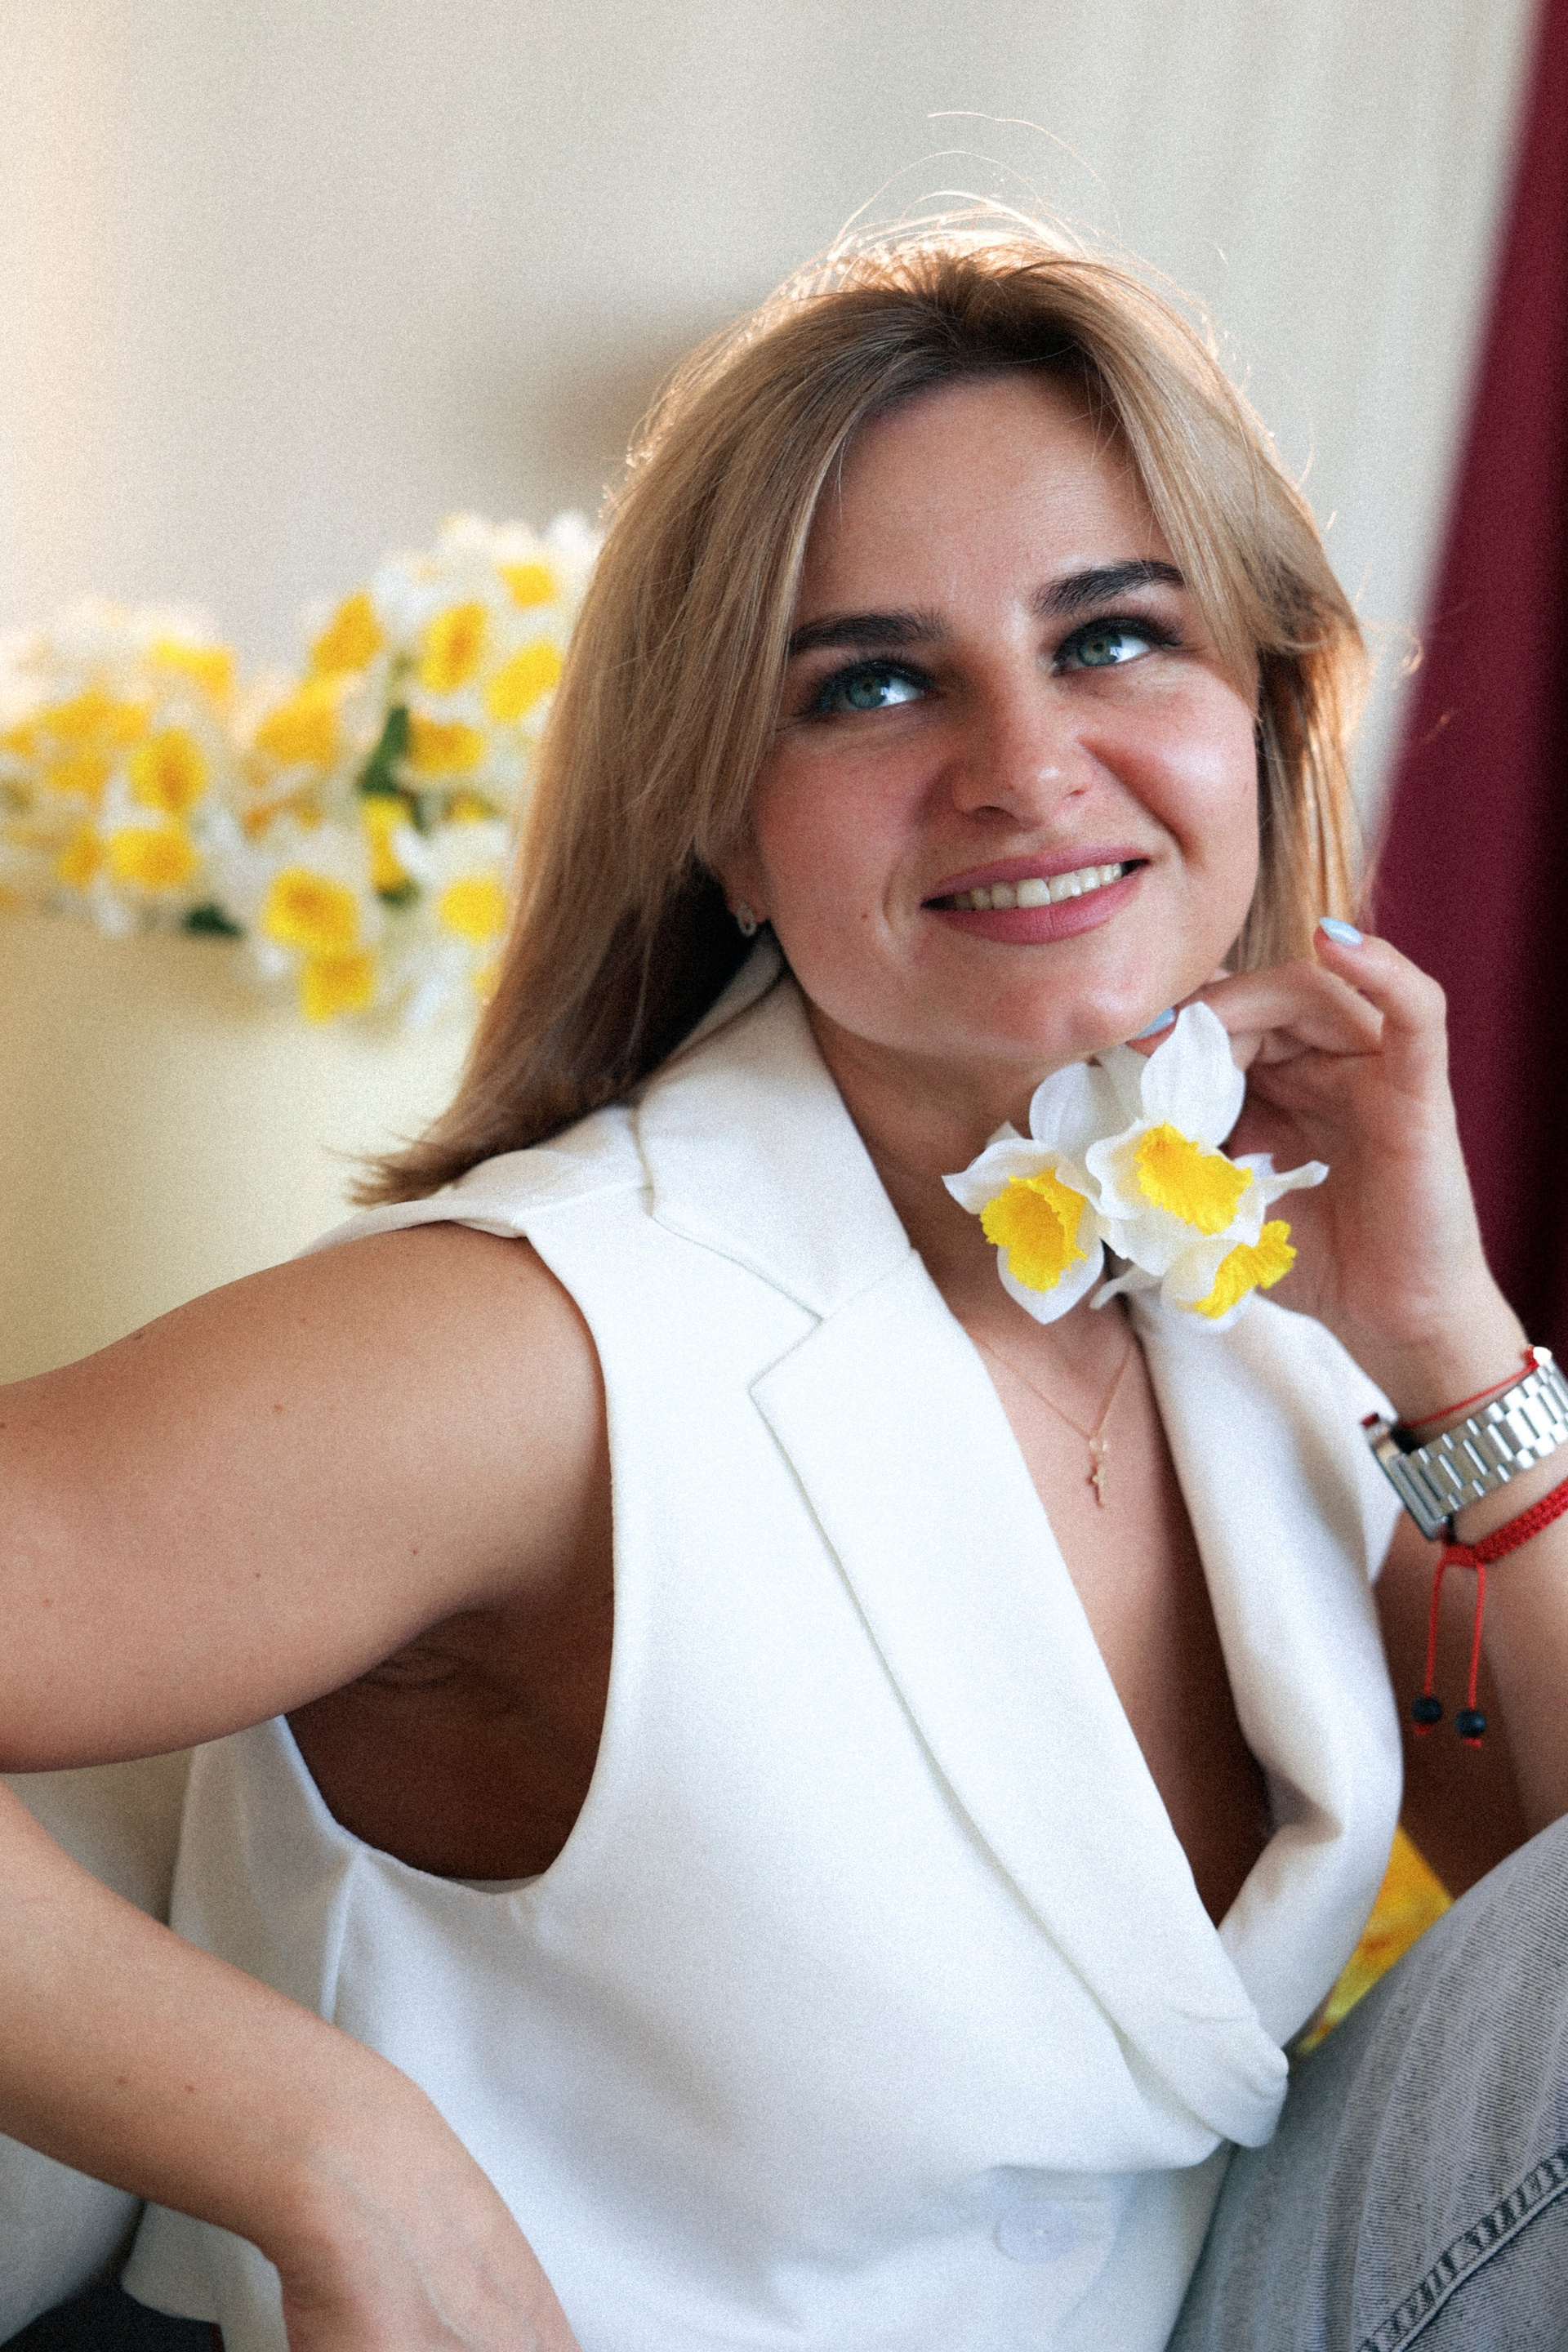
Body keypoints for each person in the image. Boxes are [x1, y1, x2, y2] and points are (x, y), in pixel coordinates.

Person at [3, 221, 1567, 2352]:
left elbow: (1541, 1898)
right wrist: (327, 2151)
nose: (1025, 763)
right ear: (725, 825)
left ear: (1269, 713)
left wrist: (1448, 1342)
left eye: (1116, 638)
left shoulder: (1248, 1332)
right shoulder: (552, 1340)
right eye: (873, 684)